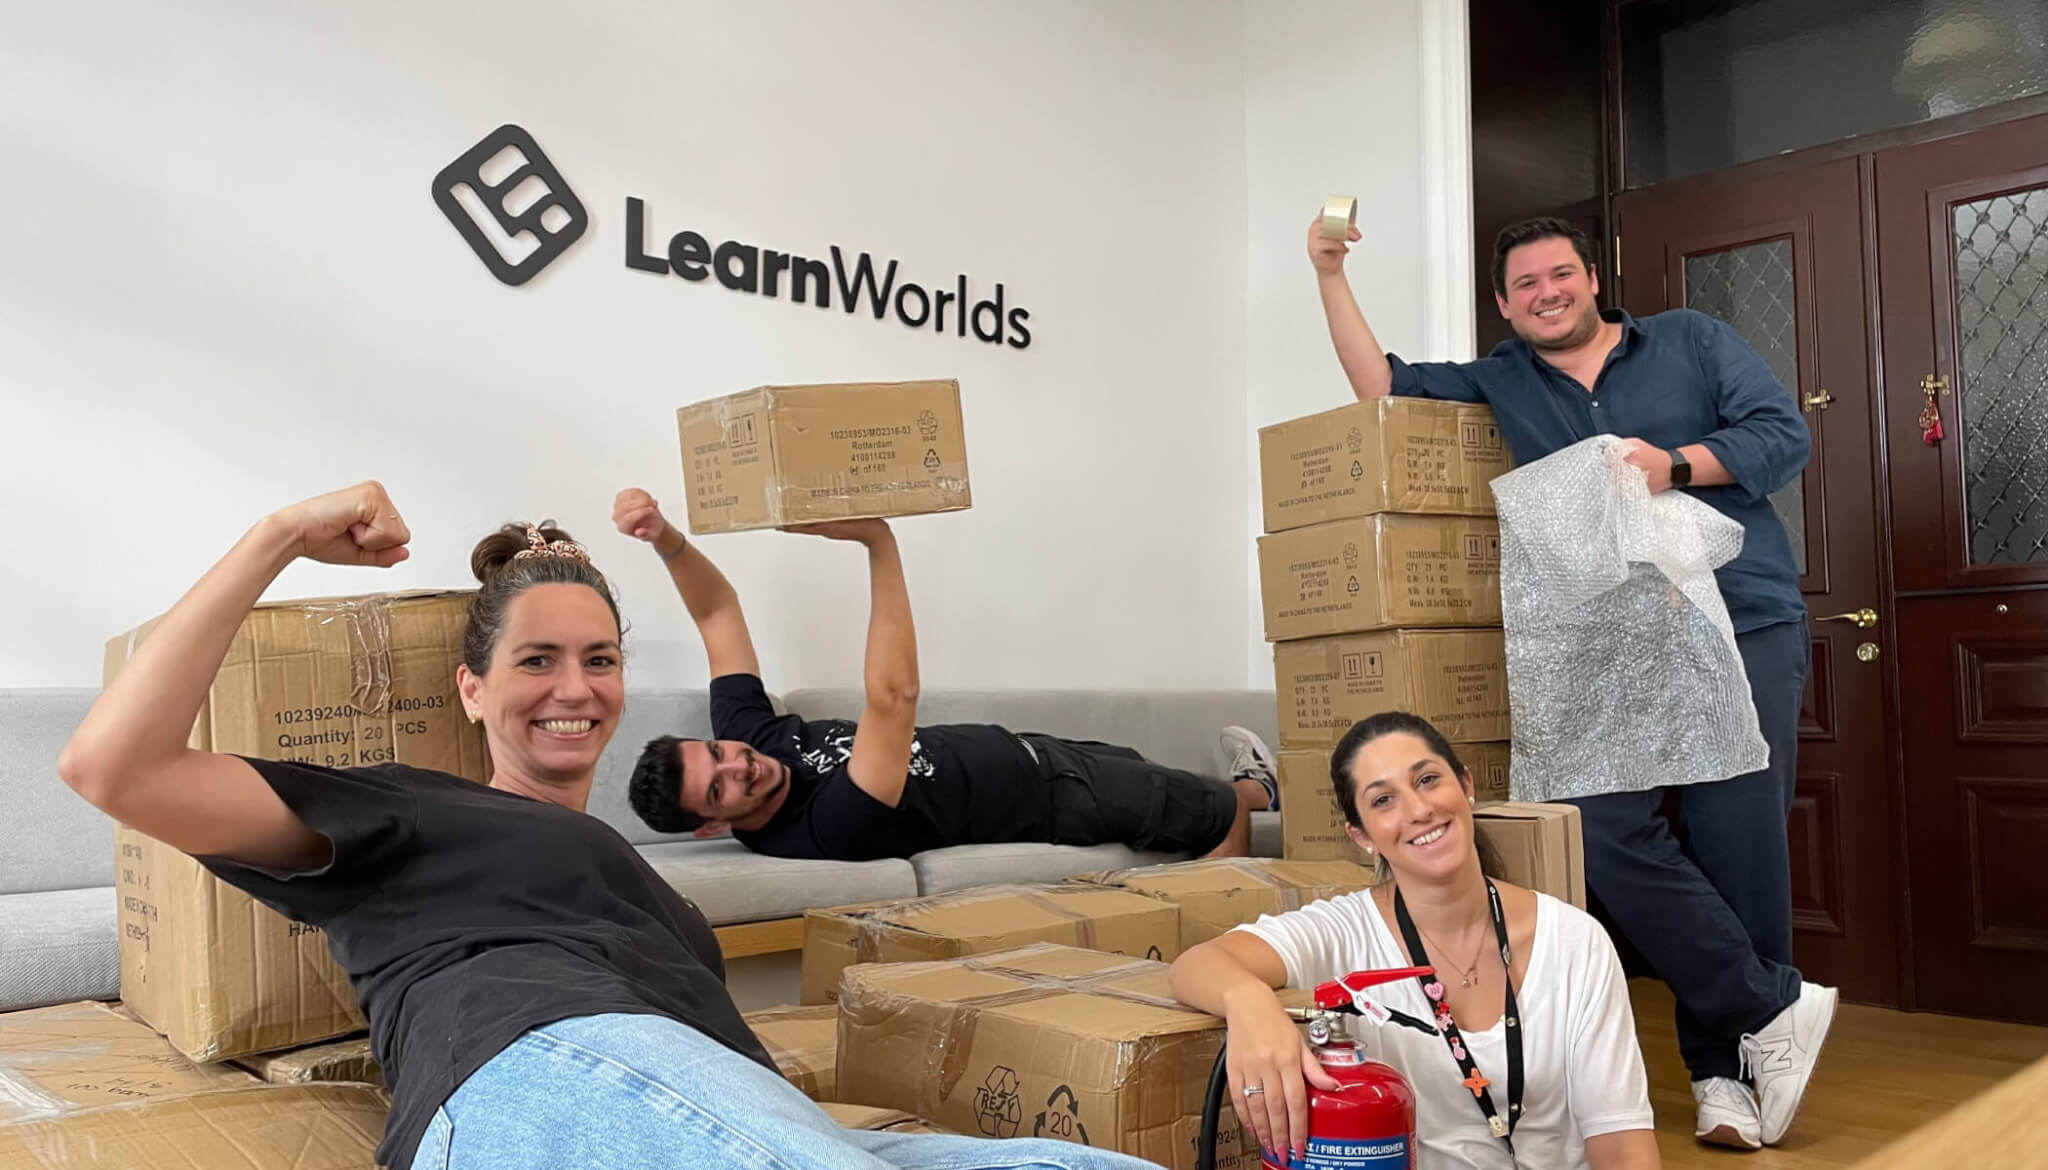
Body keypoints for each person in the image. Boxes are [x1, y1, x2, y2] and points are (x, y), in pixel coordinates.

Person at [56, 480, 1163, 1170]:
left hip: (706, 1096)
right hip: (534, 1060)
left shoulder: (652, 885)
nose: (575, 688)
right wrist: (280, 535)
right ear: (472, 690)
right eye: (536, 661)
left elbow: (719, 615)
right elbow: (114, 765)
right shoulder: (410, 805)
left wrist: (673, 536)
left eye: (600, 659)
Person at [1308, 212, 1832, 1150]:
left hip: (1737, 619)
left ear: (1592, 278)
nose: (1546, 294)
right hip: (1609, 641)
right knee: (1596, 822)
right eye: (1525, 286)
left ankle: (1723, 1073)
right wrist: (1328, 274)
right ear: (1505, 306)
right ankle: (1769, 1007)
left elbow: (1780, 435)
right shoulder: (1502, 377)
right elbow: (1380, 385)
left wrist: (1671, 465)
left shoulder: (1691, 340)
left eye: (1560, 275)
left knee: (1737, 842)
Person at [613, 488, 1276, 862]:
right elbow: (894, 698)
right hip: (1052, 799)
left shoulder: (750, 735)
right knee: (1212, 814)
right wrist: (878, 541)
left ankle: (1261, 785)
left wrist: (664, 536)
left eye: (719, 753)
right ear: (713, 828)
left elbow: (718, 614)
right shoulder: (821, 829)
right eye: (720, 788)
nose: (740, 765)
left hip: (1031, 750)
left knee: (1178, 781)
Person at [1169, 712, 1661, 1170]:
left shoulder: (1575, 940)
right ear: (1362, 836)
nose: (1419, 809)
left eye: (1427, 779)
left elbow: (1622, 1141)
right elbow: (1197, 964)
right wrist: (1249, 1002)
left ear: (1465, 786)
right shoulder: (1344, 930)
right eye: (1383, 800)